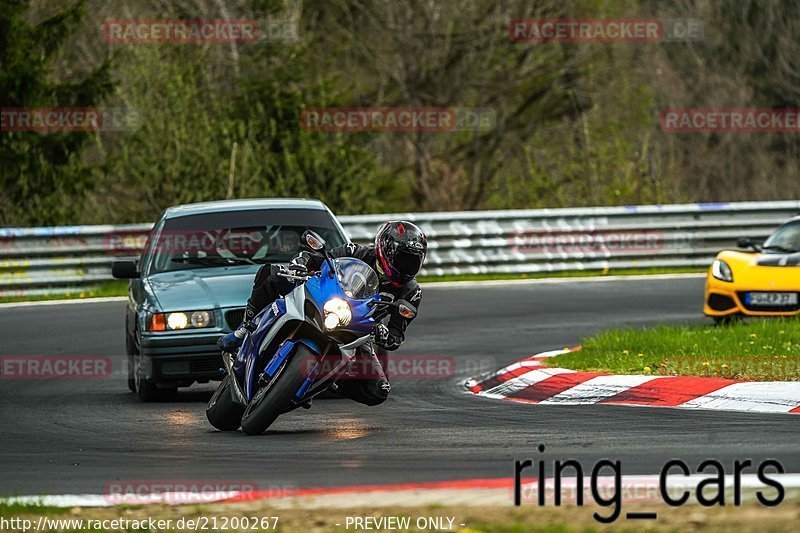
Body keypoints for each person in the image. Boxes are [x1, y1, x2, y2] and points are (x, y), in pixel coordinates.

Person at [217, 221, 427, 406]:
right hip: (323, 299)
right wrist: (300, 264)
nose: (406, 266)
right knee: (271, 274)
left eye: (413, 261)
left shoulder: (411, 292)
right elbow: (317, 257)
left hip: (359, 331)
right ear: (386, 250)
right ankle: (244, 329)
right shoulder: (356, 252)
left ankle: (324, 382)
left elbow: (397, 334)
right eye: (403, 258)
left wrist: (385, 335)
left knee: (377, 392)